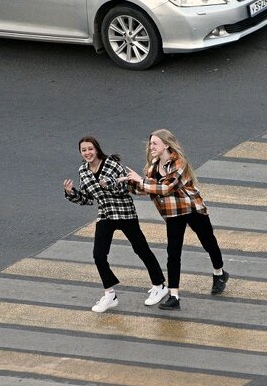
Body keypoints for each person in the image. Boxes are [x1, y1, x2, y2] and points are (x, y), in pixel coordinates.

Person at [125, 129, 228, 310]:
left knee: (208, 242)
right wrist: (126, 184)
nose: (151, 147)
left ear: (166, 144)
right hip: (173, 214)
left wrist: (140, 180)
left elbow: (166, 188)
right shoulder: (152, 167)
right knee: (173, 253)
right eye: (150, 144)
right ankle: (174, 296)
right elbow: (146, 189)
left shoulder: (179, 163)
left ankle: (219, 273)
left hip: (191, 208)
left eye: (155, 143)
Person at [64, 135, 169, 312]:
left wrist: (109, 185)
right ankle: (109, 294)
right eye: (84, 150)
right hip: (105, 215)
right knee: (99, 255)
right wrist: (71, 192)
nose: (87, 153)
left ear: (96, 149)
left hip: (125, 213)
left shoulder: (111, 164)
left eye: (90, 149)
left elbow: (127, 186)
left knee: (141, 249)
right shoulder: (83, 170)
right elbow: (88, 198)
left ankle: (160, 286)